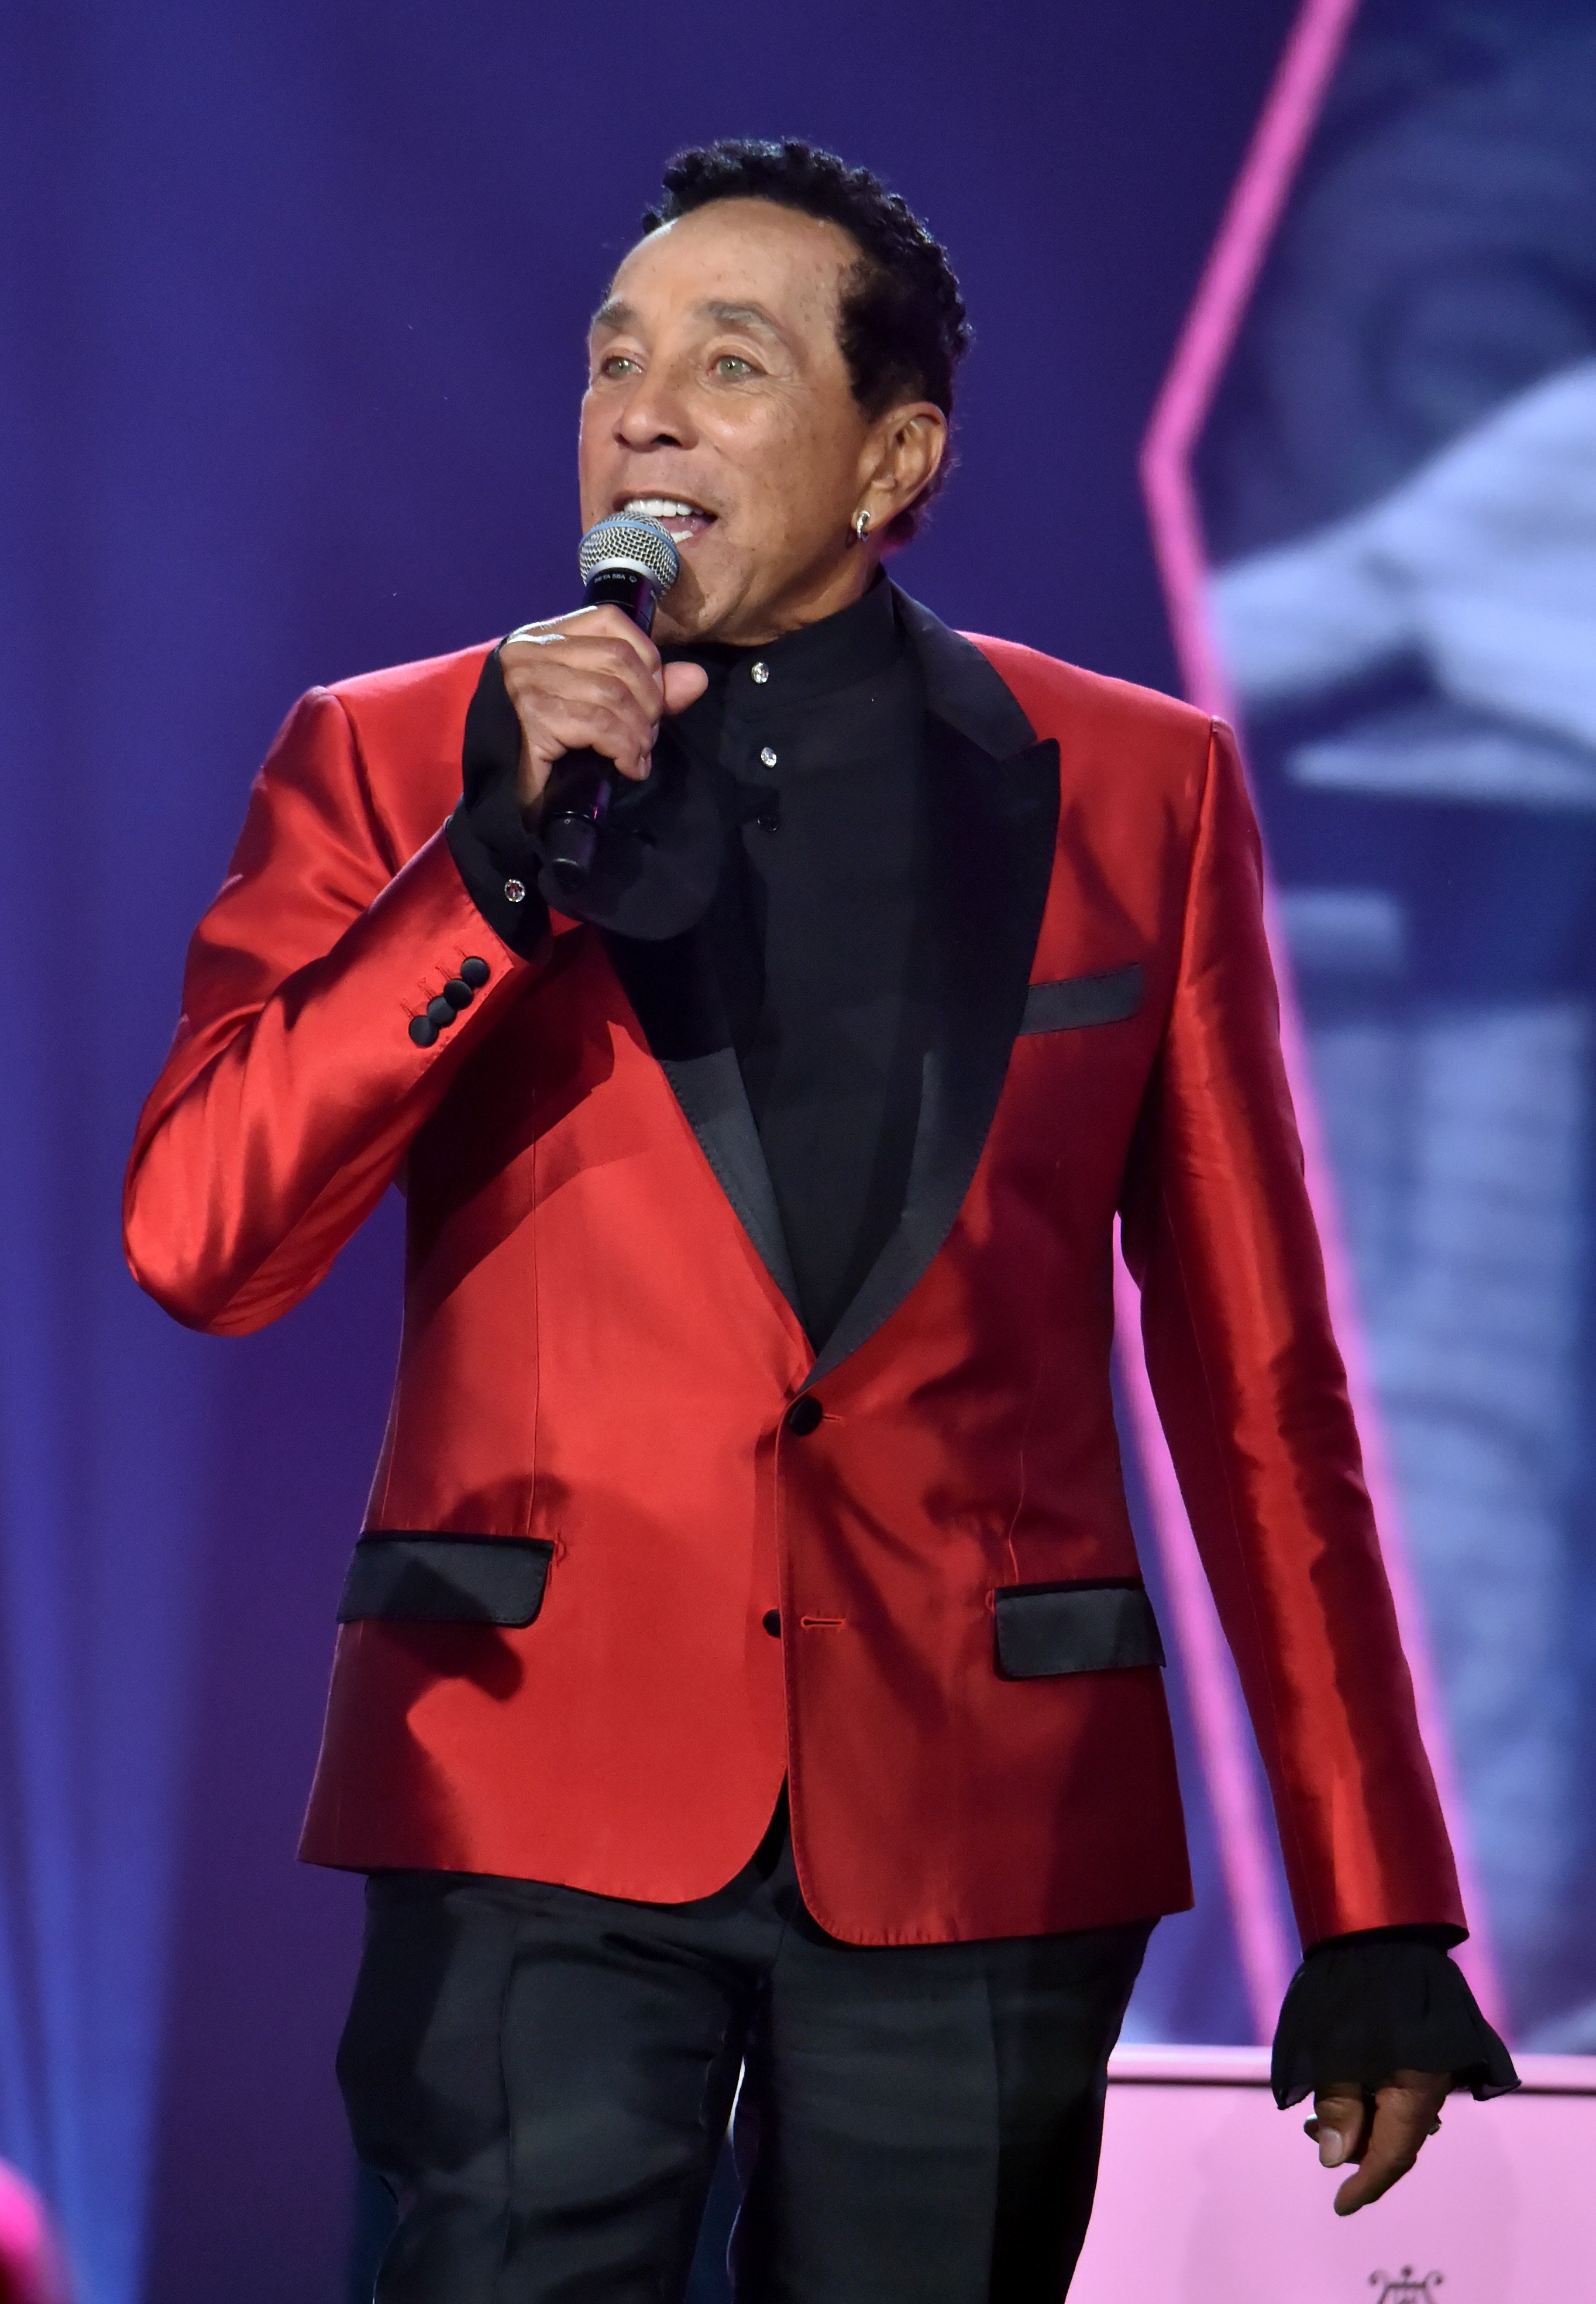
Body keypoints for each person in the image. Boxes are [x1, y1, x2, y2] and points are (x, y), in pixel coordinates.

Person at [124, 139, 1515, 2304]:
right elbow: (203, 1236)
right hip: (530, 1782)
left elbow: (1259, 1379)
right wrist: (488, 873)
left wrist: (1372, 1893)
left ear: (895, 460)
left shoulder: (1139, 788)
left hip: (985, 1806)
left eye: (730, 362)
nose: (643, 408)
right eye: (612, 361)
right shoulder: (397, 759)